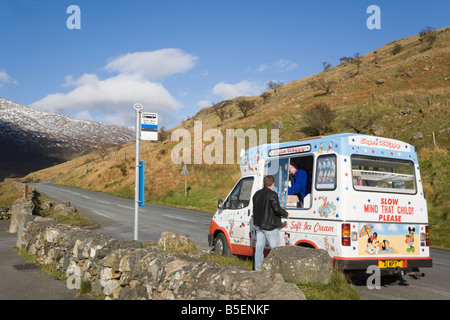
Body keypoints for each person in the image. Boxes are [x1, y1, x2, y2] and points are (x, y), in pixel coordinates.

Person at [252, 175, 289, 270]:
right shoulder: (273, 194)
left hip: (259, 226)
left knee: (259, 249)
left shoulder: (257, 194)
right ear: (273, 184)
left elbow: (255, 210)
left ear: (265, 183)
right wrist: (286, 214)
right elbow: (276, 209)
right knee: (275, 250)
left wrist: (256, 222)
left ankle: (258, 269)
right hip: (270, 227)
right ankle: (276, 270)